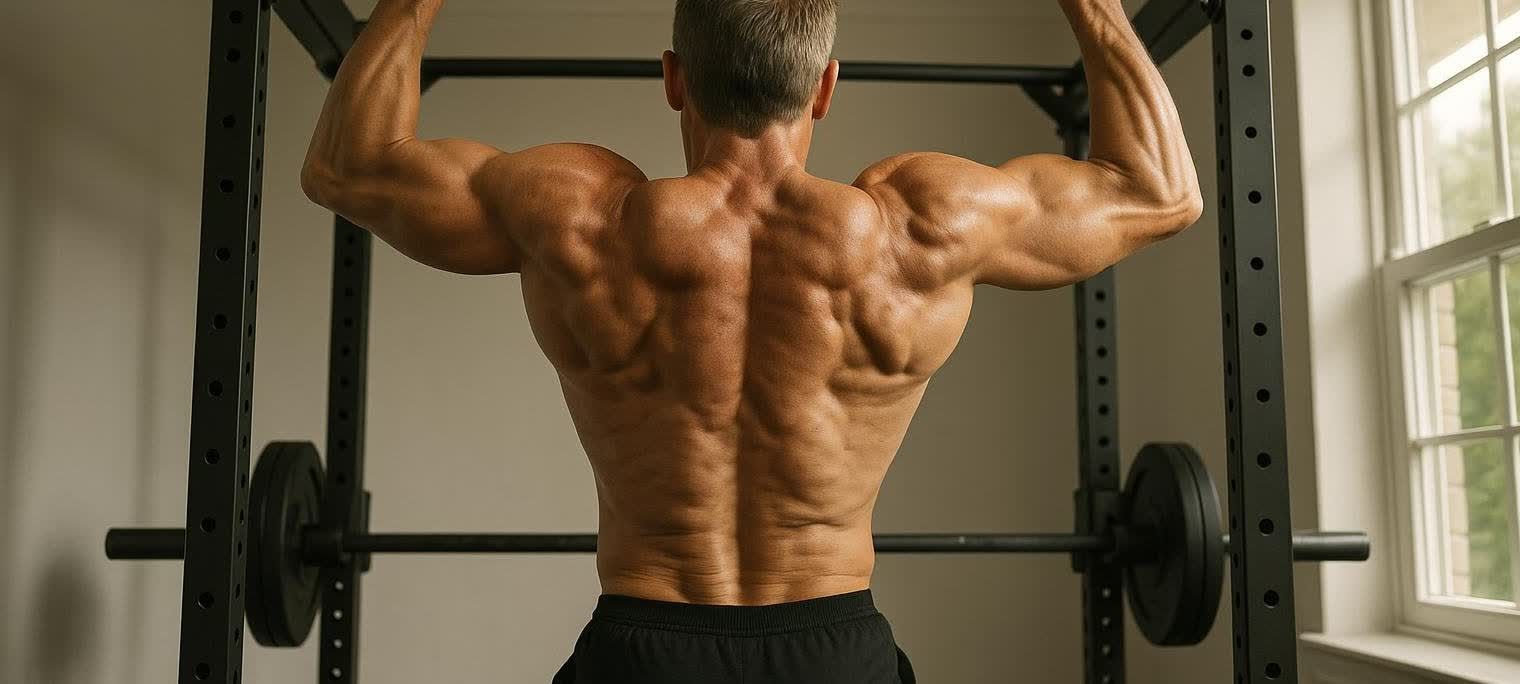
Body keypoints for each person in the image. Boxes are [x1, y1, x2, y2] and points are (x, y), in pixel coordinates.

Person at [301, 0, 1201, 680]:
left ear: (674, 78)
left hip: (642, 645)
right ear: (825, 86)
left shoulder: (578, 219)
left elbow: (348, 165)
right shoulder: (919, 232)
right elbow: (1161, 192)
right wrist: (1093, 7)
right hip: (834, 647)